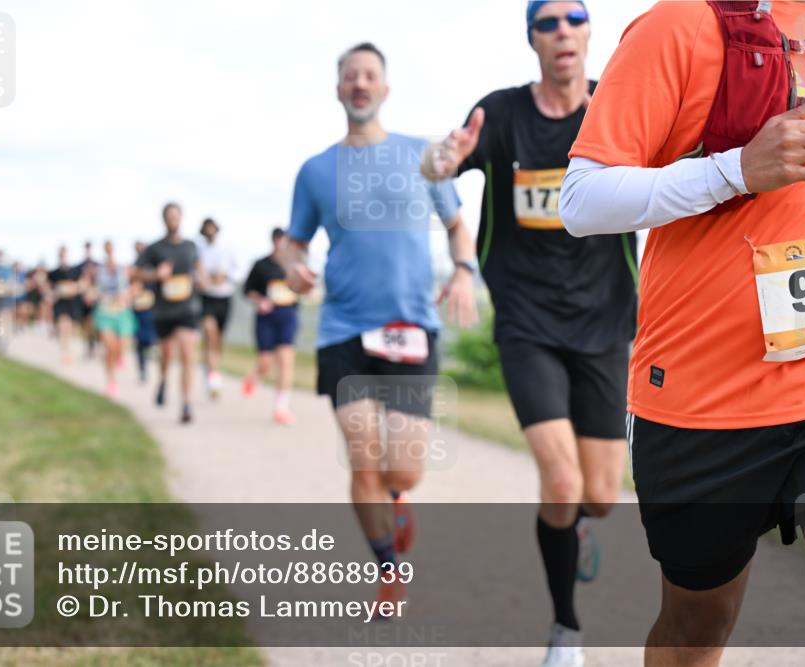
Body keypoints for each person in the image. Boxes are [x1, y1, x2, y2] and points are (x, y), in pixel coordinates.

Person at [559, 2, 805, 666]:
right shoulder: (680, 26)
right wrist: (734, 170)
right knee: (698, 623)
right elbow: (581, 201)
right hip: (704, 398)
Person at [419, 3, 635, 664]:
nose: (562, 29)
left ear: (589, 32)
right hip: (527, 323)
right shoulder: (502, 114)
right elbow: (437, 167)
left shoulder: (617, 107)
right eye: (547, 21)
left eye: (574, 17)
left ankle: (573, 531)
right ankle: (565, 629)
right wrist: (439, 160)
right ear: (532, 39)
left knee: (599, 496)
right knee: (562, 483)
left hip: (605, 323)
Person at [282, 42, 479, 606]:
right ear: (339, 88)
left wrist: (463, 272)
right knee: (363, 454)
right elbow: (294, 246)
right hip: (342, 329)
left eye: (370, 75)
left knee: (404, 469)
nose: (360, 83)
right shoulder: (315, 170)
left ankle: (398, 497)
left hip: (412, 327)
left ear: (385, 89)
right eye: (350, 75)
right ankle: (387, 566)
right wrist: (295, 268)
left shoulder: (423, 157)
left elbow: (458, 226)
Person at [134, 203, 203, 424]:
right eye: (169, 217)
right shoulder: (154, 249)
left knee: (187, 353)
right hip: (164, 310)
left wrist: (201, 279)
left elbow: (199, 270)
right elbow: (135, 273)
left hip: (187, 308)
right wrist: (156, 275)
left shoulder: (191, 246)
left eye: (176, 216)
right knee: (166, 355)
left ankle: (186, 404)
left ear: (181, 218)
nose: (173, 220)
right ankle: (163, 379)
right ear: (164, 219)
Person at [241, 227, 301, 425]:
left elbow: (305, 287)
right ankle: (253, 376)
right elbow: (247, 290)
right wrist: (260, 301)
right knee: (266, 363)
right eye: (280, 241)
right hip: (267, 318)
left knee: (285, 361)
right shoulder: (261, 265)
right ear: (274, 241)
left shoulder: (296, 265)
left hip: (288, 315)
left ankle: (281, 408)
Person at [197, 217, 241, 400]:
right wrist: (202, 280)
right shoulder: (198, 251)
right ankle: (213, 378)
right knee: (209, 333)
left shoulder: (227, 248)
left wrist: (225, 277)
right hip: (206, 297)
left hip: (224, 297)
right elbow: (194, 272)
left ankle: (212, 367)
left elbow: (238, 271)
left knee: (218, 340)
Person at [93, 240, 136, 397]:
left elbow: (133, 285)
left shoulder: (123, 268)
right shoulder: (98, 270)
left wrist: (128, 294)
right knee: (109, 347)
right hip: (105, 310)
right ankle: (111, 381)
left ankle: (119, 357)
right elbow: (92, 287)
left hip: (121, 311)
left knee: (121, 346)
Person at [47, 245, 84, 366]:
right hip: (60, 303)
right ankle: (65, 352)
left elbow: (80, 285)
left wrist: (74, 288)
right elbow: (49, 288)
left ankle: (67, 349)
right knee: (64, 326)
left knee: (70, 329)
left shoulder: (74, 271)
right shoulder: (54, 273)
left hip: (71, 303)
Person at [131, 240, 158, 383]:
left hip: (152, 308)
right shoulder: (135, 266)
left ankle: (149, 359)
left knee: (151, 338)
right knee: (140, 341)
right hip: (138, 309)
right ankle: (142, 368)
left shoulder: (152, 265)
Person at [77, 240, 100, 359]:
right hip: (85, 303)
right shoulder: (81, 266)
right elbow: (80, 285)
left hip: (95, 302)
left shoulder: (97, 264)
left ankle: (93, 346)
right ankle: (89, 347)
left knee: (94, 326)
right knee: (86, 327)